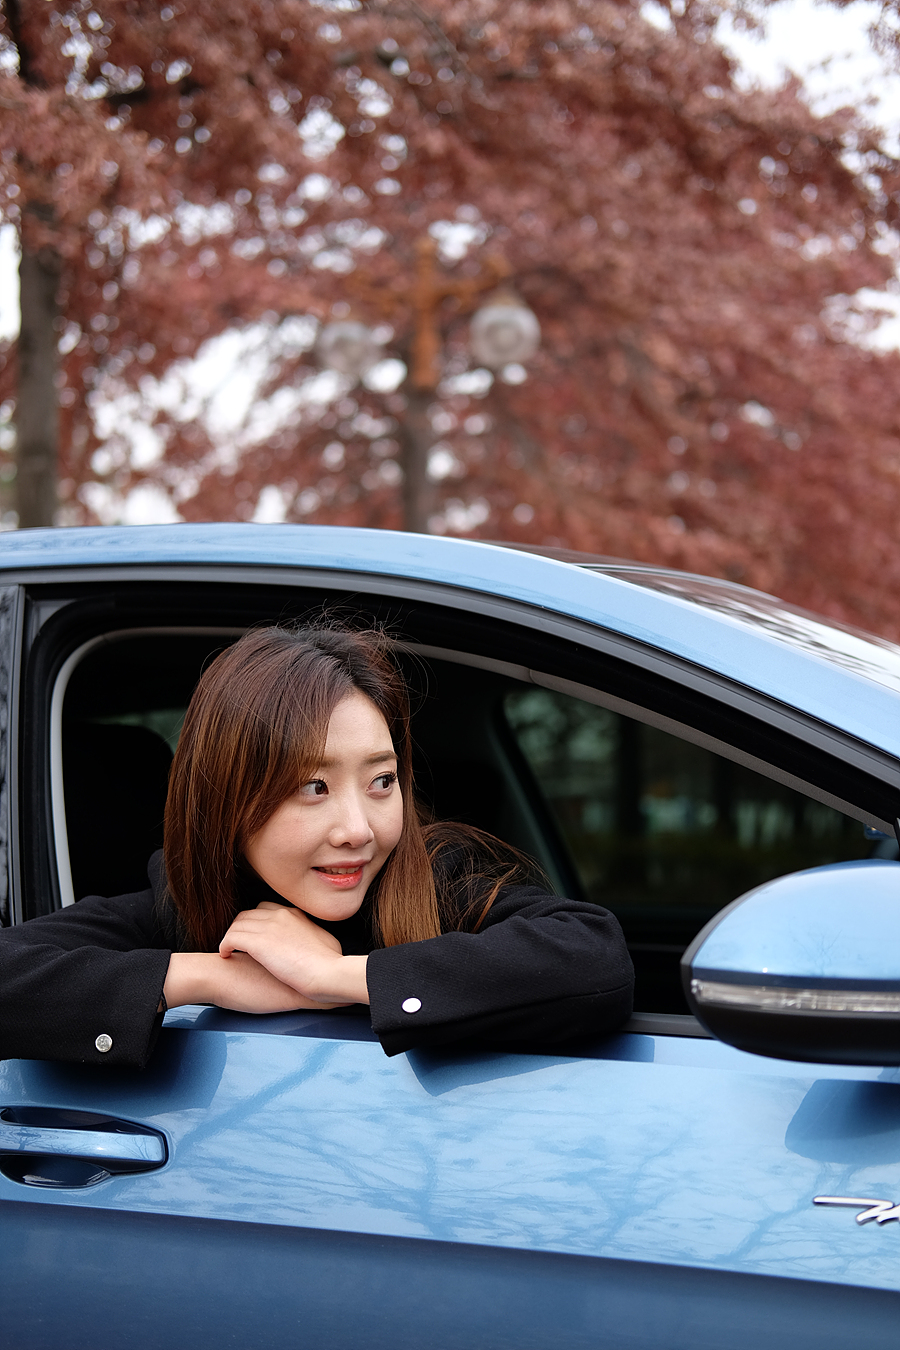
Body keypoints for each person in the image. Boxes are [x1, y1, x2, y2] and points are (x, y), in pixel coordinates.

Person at [0, 625, 633, 1067]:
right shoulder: (180, 906)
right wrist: (207, 977)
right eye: (314, 787)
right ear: (228, 803)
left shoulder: (438, 877)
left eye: (381, 781)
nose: (357, 829)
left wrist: (338, 977)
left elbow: (593, 954)